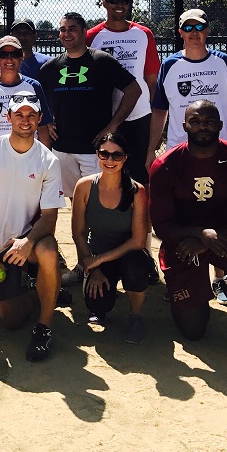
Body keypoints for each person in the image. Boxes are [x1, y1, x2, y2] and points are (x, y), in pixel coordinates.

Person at [148, 100, 227, 374]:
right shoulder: (166, 165)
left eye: (209, 121)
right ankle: (187, 293)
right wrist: (198, 234)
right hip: (184, 245)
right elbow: (161, 225)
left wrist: (214, 238)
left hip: (224, 240)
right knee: (193, 330)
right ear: (184, 126)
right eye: (195, 121)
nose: (202, 126)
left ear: (221, 125)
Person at [0, 94, 66, 361]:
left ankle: (44, 327)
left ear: (40, 119)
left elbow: (50, 217)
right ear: (7, 118)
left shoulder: (49, 161)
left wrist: (28, 242)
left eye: (31, 115)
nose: (25, 120)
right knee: (11, 321)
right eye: (19, 114)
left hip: (28, 242)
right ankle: (39, 289)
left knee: (49, 250)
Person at [38, 11, 139, 200]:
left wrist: (113, 125)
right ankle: (79, 231)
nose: (67, 34)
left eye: (72, 29)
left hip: (94, 149)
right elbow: (36, 97)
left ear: (84, 31)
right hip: (63, 147)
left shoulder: (102, 61)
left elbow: (134, 90)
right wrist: (44, 123)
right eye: (63, 30)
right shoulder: (51, 68)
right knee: (73, 198)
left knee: (96, 198)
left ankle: (97, 230)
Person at [71, 132, 154, 344]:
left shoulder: (137, 191)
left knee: (137, 266)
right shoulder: (84, 186)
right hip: (98, 257)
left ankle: (136, 315)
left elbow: (138, 240)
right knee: (97, 304)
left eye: (117, 155)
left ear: (125, 158)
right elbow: (78, 232)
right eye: (104, 154)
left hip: (128, 255)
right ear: (97, 155)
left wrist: (97, 260)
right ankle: (101, 305)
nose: (109, 160)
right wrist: (94, 268)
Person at [146, 8, 227, 175]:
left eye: (199, 28)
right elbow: (159, 111)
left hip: (220, 151)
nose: (194, 33)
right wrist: (151, 149)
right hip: (179, 152)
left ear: (208, 30)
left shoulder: (222, 61)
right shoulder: (169, 65)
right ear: (180, 32)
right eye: (188, 28)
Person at [86, 0, 162, 185]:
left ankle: (142, 217)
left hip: (140, 115)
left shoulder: (143, 34)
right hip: (106, 116)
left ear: (129, 5)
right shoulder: (92, 37)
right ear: (104, 3)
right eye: (114, 0)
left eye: (124, 1)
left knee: (142, 173)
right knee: (110, 174)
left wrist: (156, 128)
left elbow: (152, 81)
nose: (119, 5)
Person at [0, 35, 53, 159]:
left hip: (29, 156)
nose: (9, 59)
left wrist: (46, 161)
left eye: (15, 54)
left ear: (22, 56)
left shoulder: (34, 86)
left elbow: (42, 127)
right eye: (3, 54)